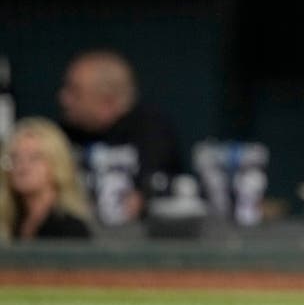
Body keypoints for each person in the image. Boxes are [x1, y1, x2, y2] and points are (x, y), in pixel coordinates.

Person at [57, 49, 182, 224]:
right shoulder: (61, 136)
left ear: (107, 102)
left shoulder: (152, 133)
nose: (64, 99)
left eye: (75, 92)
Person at [0, 117, 93, 241]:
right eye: (15, 157)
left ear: (57, 163)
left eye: (34, 158)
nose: (22, 167)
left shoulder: (71, 229)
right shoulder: (8, 223)